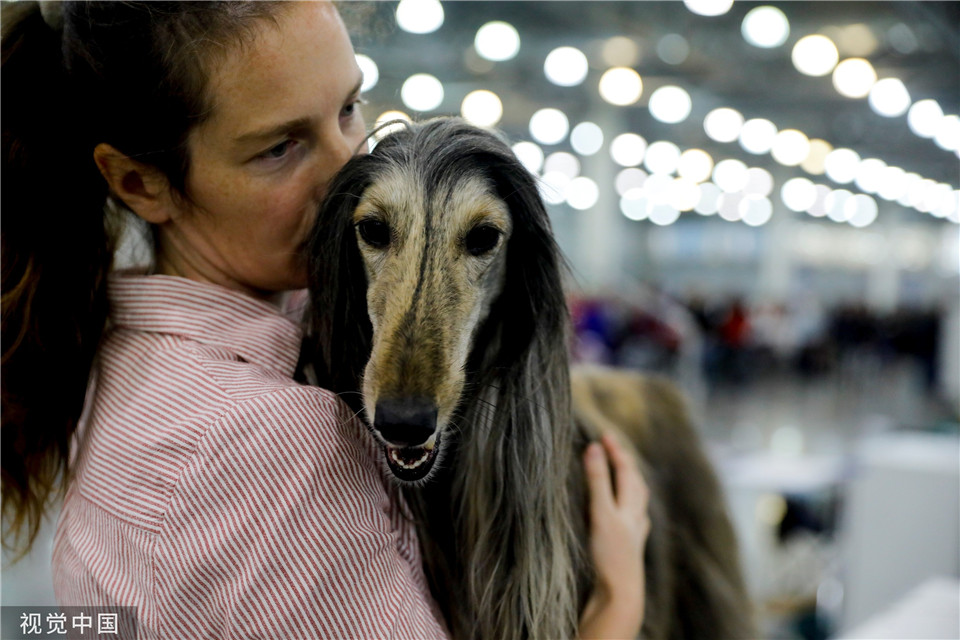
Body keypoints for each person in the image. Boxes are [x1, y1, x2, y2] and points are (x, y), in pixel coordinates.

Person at [1, 1, 650, 637]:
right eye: (280, 148)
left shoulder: (113, 352)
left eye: (348, 107)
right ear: (140, 183)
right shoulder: (281, 445)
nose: (351, 170)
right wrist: (617, 601)